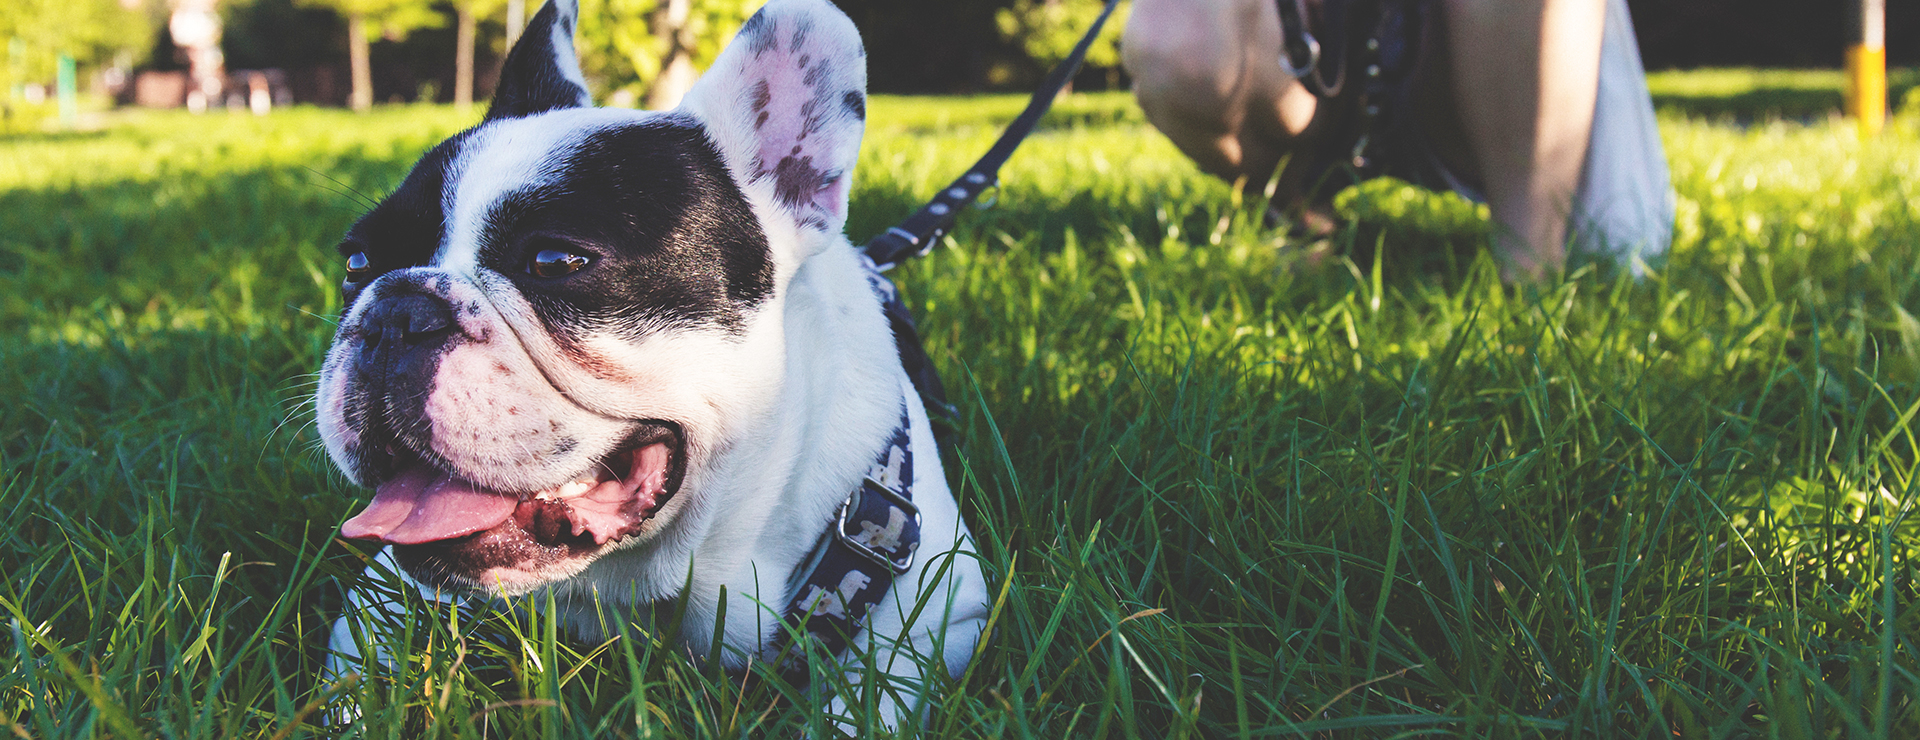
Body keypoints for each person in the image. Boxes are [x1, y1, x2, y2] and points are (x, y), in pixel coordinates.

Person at [1123, 0, 1674, 280]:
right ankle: (1297, 208)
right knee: (1176, 44)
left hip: (1499, 60)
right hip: (1325, 58)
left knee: (1620, 244)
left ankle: (1529, 270)